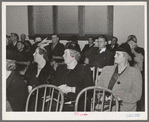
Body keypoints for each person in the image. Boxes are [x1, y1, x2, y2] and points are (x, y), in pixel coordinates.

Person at [97, 43, 142, 111]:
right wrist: (101, 96)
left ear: (126, 57)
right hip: (104, 107)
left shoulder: (135, 73)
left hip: (124, 108)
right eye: (115, 54)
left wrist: (120, 96)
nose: (114, 56)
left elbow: (137, 95)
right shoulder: (106, 70)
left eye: (118, 54)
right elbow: (98, 89)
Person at [52, 42, 93, 111]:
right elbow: (53, 83)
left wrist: (71, 89)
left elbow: (89, 90)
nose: (63, 56)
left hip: (77, 103)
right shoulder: (60, 68)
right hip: (59, 102)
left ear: (73, 56)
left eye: (65, 54)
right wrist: (58, 88)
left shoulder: (84, 69)